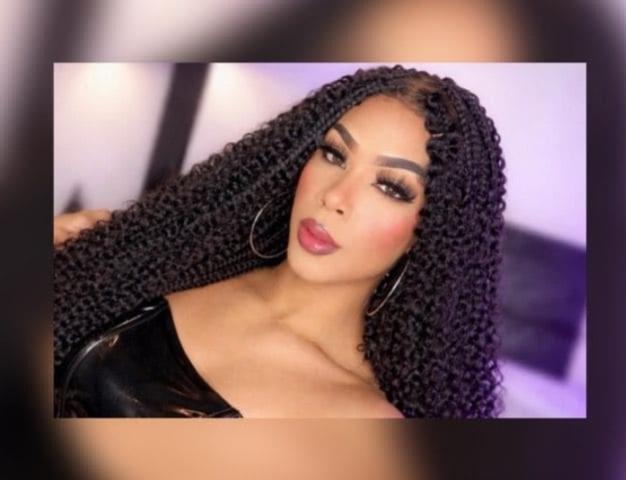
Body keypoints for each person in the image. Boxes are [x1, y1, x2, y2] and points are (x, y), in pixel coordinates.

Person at [53, 64, 507, 418]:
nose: (334, 197)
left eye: (389, 187)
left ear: (428, 233)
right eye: (334, 154)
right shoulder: (165, 257)